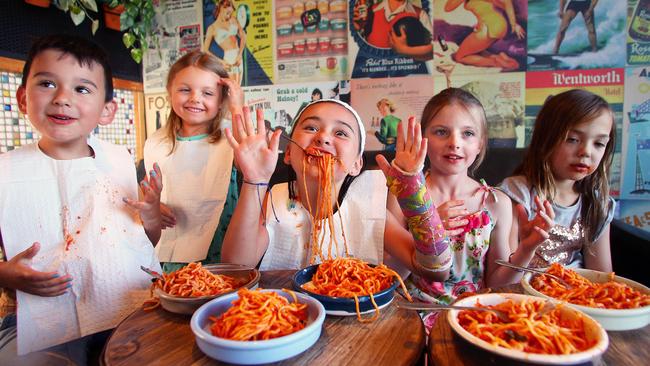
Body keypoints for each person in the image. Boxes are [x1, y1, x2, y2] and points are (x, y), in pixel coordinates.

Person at [0, 35, 161, 363]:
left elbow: (142, 244)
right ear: (21, 98)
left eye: (82, 89)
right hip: (39, 323)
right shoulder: (7, 173)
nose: (62, 99)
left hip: (125, 312)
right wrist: (3, 274)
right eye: (47, 83)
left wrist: (153, 214)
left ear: (106, 110)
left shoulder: (118, 162)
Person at [220, 99, 448, 279]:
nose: (323, 137)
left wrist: (413, 192)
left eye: (340, 133)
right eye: (311, 127)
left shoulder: (368, 210)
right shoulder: (274, 202)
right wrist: (254, 180)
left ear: (357, 164)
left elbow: (436, 269)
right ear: (288, 153)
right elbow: (236, 266)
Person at [383, 88, 546, 329]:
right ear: (423, 139)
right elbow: (389, 276)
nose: (454, 143)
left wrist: (527, 249)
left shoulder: (496, 202)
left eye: (467, 133)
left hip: (471, 319)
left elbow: (497, 284)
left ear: (480, 144)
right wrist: (427, 226)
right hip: (409, 316)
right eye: (441, 132)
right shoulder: (404, 194)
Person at [144, 50, 242, 273]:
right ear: (170, 92)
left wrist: (236, 107)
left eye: (207, 93)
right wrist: (153, 207)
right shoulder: (156, 142)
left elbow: (251, 155)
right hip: (170, 250)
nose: (195, 98)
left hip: (220, 244)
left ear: (221, 100)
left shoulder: (230, 135)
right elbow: (146, 188)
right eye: (185, 90)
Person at [500, 89, 616, 272]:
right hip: (523, 294)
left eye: (599, 144)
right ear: (545, 138)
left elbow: (601, 276)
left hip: (575, 294)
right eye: (572, 139)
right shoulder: (517, 193)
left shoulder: (597, 204)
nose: (586, 151)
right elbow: (504, 271)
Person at [441, 0, 525, 70]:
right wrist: (514, 24)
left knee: (459, 57)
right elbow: (502, 4)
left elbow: (448, 8)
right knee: (476, 51)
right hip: (498, 24)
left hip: (489, 27)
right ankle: (500, 57)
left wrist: (514, 24)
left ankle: (497, 63)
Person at [353, 0, 433, 60]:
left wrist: (405, 50)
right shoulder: (369, 13)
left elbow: (433, 52)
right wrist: (357, 29)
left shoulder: (420, 15)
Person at [202, 0, 247, 84]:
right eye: (227, 12)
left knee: (239, 87)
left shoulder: (233, 20)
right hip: (228, 59)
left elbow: (243, 36)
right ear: (221, 8)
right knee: (232, 88)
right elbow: (205, 50)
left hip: (238, 57)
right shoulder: (212, 28)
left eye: (230, 13)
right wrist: (221, 62)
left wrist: (240, 54)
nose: (229, 15)